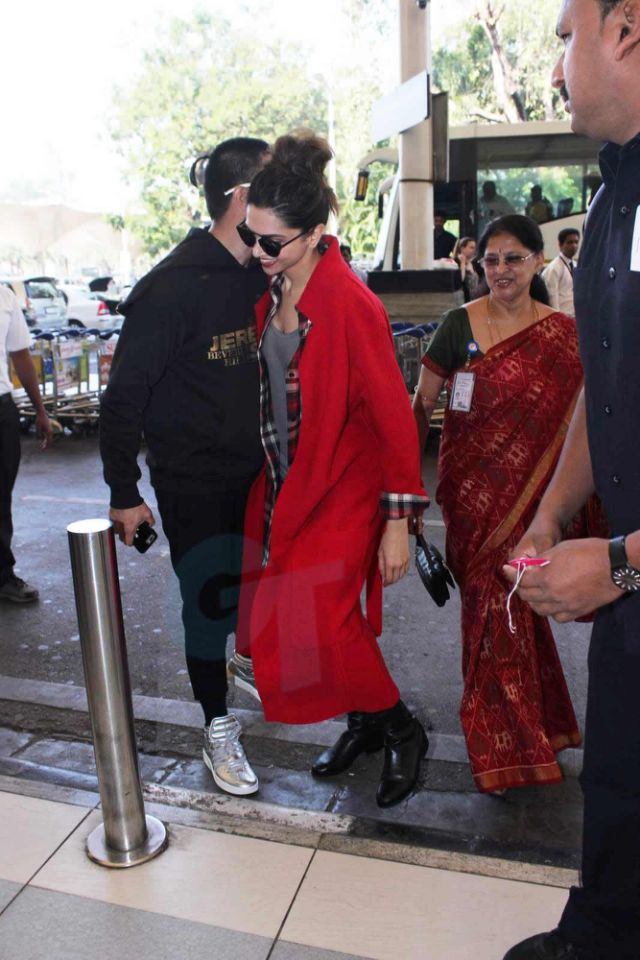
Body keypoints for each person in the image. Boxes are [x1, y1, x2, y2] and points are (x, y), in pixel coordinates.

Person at [232, 132, 430, 808]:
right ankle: (366, 723)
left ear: (316, 233)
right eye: (250, 237)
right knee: (299, 614)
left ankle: (402, 727)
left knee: (324, 617)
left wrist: (398, 523)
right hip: (288, 483)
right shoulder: (276, 283)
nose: (255, 253)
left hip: (344, 486)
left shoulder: (350, 304)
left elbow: (395, 416)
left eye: (270, 242)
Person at [503, 1, 640, 958]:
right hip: (630, 598)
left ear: (627, 27)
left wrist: (625, 564)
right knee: (622, 792)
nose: (555, 67)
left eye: (563, 34)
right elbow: (606, 375)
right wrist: (555, 509)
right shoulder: (610, 197)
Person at [99, 136, 271, 797]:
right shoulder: (169, 289)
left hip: (253, 473)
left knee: (243, 589)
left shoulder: (262, 274)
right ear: (240, 199)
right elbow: (123, 401)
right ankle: (216, 722)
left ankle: (235, 658)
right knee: (206, 600)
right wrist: (125, 493)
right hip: (189, 478)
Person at [412, 214, 593, 794]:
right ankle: (530, 733)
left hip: (533, 507)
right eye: (489, 260)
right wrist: (402, 487)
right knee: (493, 614)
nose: (500, 270)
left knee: (512, 612)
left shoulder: (564, 334)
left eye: (513, 258)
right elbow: (421, 406)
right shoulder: (456, 325)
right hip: (469, 498)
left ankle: (515, 740)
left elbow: (583, 425)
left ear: (537, 262)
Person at [0, 286, 52, 602]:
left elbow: (20, 355)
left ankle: (3, 576)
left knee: (1, 496)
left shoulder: (5, 296)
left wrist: (40, 410)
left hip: (1, 407)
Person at [542, 227, 580, 316]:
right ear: (560, 245)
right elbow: (552, 297)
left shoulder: (575, 265)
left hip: (576, 316)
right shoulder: (554, 268)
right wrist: (558, 319)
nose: (574, 245)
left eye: (576, 242)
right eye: (570, 242)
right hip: (563, 316)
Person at [452, 236, 479, 302]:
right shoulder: (455, 262)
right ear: (462, 248)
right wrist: (462, 264)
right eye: (471, 248)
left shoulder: (472, 263)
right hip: (461, 299)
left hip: (471, 299)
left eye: (474, 248)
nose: (474, 250)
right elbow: (460, 279)